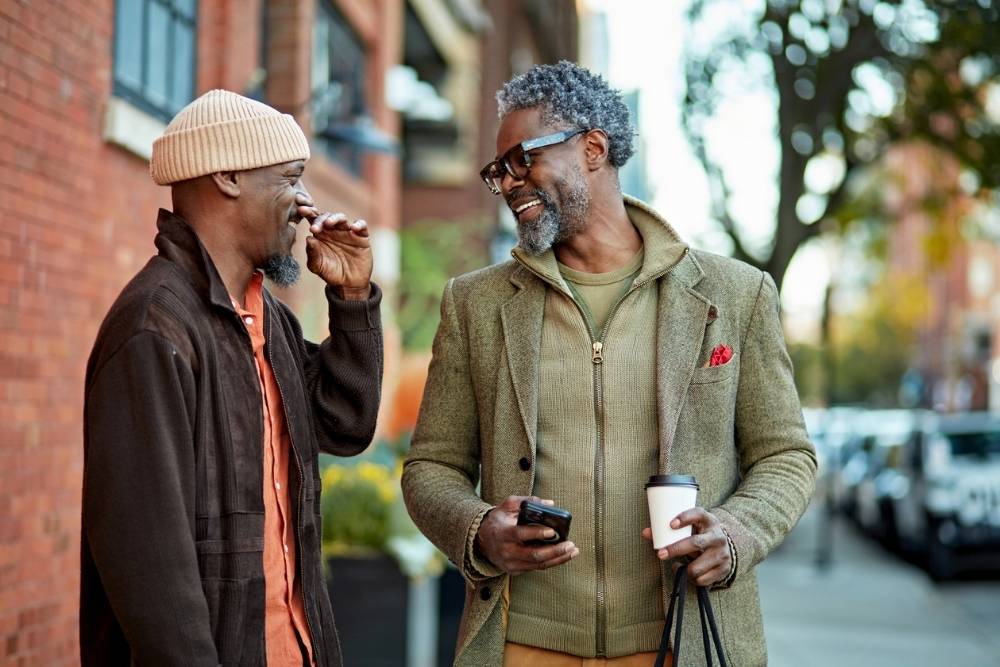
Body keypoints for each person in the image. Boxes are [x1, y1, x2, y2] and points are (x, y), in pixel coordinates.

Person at [402, 61, 816, 667]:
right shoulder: (476, 303)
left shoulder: (735, 295)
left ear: (592, 149)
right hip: (524, 643)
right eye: (498, 171)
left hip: (683, 639)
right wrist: (479, 528)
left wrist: (736, 532)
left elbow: (785, 454)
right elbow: (430, 468)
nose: (510, 183)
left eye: (523, 159)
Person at [81, 89, 383, 666]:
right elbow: (150, 568)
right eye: (291, 178)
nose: (305, 202)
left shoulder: (269, 319)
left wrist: (350, 298)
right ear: (228, 177)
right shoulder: (155, 328)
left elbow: (346, 423)